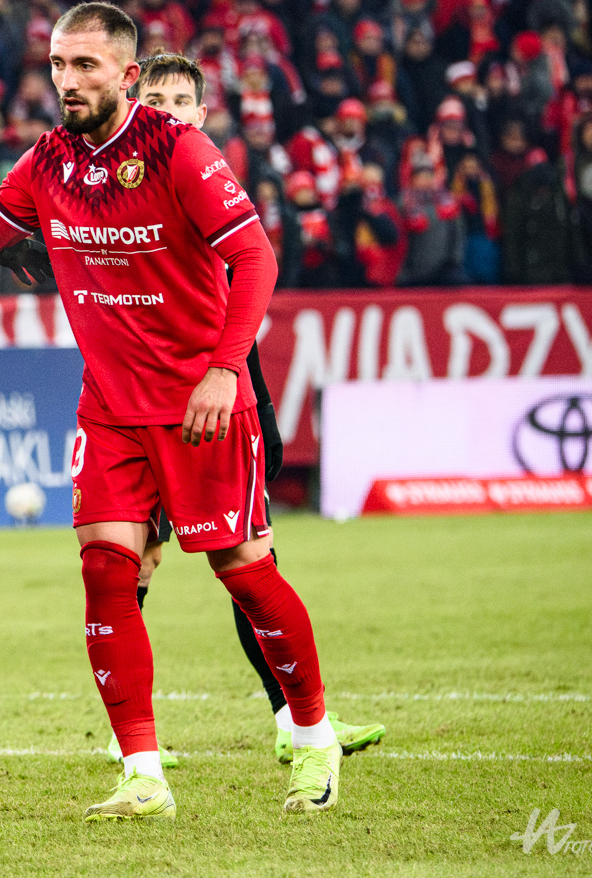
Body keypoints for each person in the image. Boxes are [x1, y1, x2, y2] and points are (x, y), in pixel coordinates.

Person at [0, 3, 350, 818]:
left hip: (199, 405)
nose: (67, 80)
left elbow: (255, 257)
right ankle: (141, 771)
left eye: (85, 65)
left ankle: (313, 738)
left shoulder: (178, 149)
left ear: (128, 75)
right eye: (58, 64)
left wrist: (224, 370)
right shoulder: (47, 159)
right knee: (106, 571)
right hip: (109, 408)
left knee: (244, 571)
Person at [124, 52, 386, 766]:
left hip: (222, 399)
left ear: (203, 115)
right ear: (135, 107)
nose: (169, 111)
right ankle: (132, 735)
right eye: (155, 100)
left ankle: (290, 719)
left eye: (181, 101)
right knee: (133, 563)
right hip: (143, 404)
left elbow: (240, 299)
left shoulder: (212, 182)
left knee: (248, 562)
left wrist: (258, 405)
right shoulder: (120, 188)